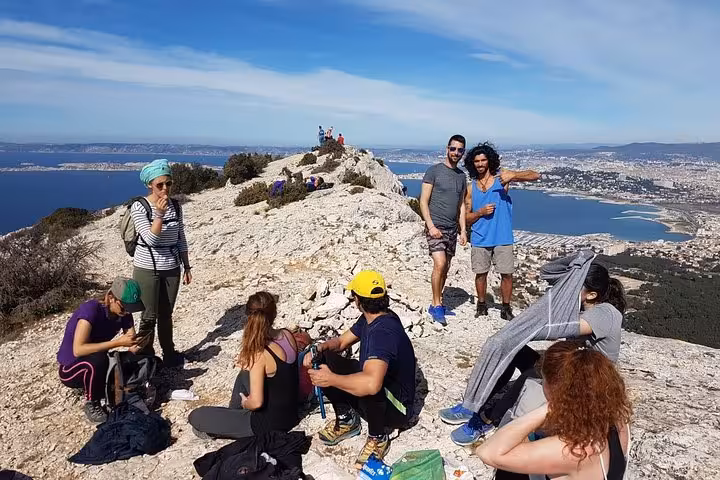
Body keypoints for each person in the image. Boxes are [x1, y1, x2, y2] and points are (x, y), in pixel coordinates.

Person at [440, 254, 627, 446]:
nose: (568, 290)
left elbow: (560, 328)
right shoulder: (582, 308)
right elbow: (548, 271)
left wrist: (523, 329)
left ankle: (486, 420)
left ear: (592, 295)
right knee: (515, 350)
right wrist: (575, 261)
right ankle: (474, 403)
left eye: (573, 286)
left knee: (532, 374)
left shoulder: (605, 313)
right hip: (574, 368)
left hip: (589, 381)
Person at [305, 271, 416, 469]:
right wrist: (321, 348)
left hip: (398, 407)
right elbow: (341, 342)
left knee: (370, 385)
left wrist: (330, 379)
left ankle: (378, 436)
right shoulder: (371, 318)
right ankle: (348, 419)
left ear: (358, 299)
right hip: (385, 385)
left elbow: (372, 384)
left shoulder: (381, 334)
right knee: (325, 360)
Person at [477, 340, 631, 480]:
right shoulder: (618, 419)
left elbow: (488, 452)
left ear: (555, 389)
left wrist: (550, 406)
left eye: (543, 379)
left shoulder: (573, 450)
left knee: (508, 473)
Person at [188, 292, 299, 439]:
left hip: (266, 425)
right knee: (245, 373)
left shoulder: (260, 354)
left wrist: (246, 403)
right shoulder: (287, 335)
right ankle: (233, 413)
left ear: (248, 316)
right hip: (290, 414)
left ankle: (234, 417)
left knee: (196, 416)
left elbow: (256, 403)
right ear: (275, 313)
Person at [464, 142, 540, 321]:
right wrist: (480, 212)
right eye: (477, 161)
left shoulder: (502, 181)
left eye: (483, 160)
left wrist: (513, 174)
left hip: (502, 237)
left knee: (507, 274)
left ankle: (506, 307)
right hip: (480, 237)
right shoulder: (470, 189)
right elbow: (466, 218)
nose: (481, 164)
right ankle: (481, 304)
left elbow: (535, 175)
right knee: (480, 274)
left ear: (489, 161)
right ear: (472, 164)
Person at [57, 277, 144, 423]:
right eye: (123, 307)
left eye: (130, 308)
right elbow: (78, 349)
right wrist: (117, 343)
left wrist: (137, 345)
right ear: (111, 298)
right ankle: (92, 402)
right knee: (98, 360)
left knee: (132, 358)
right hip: (72, 367)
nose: (126, 312)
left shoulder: (123, 313)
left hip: (98, 358)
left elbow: (130, 338)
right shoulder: (91, 310)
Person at [132, 158, 192, 368]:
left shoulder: (176, 205)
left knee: (166, 315)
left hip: (171, 267)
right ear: (150, 184)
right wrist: (159, 214)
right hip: (146, 268)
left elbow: (180, 236)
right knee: (148, 315)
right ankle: (146, 356)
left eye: (168, 183)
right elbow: (151, 239)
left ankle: (169, 352)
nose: (165, 188)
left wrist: (187, 265)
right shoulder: (139, 207)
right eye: (160, 185)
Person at [419, 134, 468, 325]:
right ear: (447, 149)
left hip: (451, 229)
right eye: (453, 149)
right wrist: (430, 226)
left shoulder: (461, 176)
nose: (456, 153)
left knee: (446, 267)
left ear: (463, 152)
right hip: (436, 226)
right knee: (439, 264)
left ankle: (437, 301)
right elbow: (423, 201)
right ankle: (436, 304)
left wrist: (463, 230)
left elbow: (461, 205)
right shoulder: (434, 171)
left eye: (460, 150)